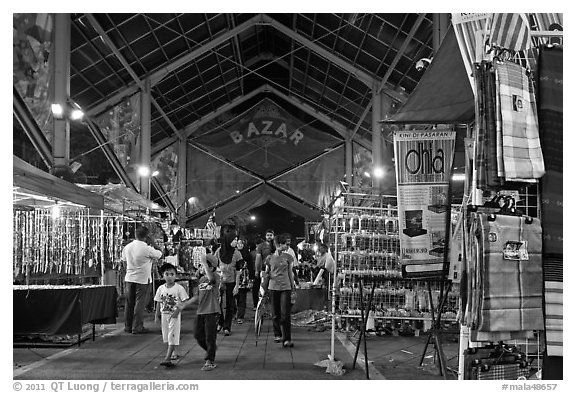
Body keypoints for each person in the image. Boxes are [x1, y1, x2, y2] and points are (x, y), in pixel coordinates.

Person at [176, 247, 220, 371]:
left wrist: (204, 262)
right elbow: (197, 296)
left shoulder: (215, 277)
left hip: (212, 311)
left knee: (210, 336)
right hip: (201, 311)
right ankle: (211, 350)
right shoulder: (201, 280)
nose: (201, 268)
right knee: (197, 334)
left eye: (203, 266)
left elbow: (211, 280)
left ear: (210, 268)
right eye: (201, 266)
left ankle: (209, 360)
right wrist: (184, 305)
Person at [122, 226, 163, 334]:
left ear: (135, 235)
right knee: (139, 303)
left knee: (129, 303)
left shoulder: (127, 247)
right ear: (147, 236)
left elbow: (124, 261)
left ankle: (128, 326)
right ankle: (137, 327)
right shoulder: (147, 248)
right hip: (142, 280)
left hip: (129, 278)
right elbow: (160, 253)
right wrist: (153, 243)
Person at [262, 233, 296, 348]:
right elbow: (266, 273)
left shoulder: (288, 258)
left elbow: (290, 273)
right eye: (285, 244)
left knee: (285, 314)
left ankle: (287, 338)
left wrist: (293, 286)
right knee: (275, 313)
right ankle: (277, 334)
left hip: (285, 287)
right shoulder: (269, 258)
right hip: (273, 287)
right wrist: (265, 278)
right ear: (279, 244)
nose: (287, 246)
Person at [154, 263, 189, 368]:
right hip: (164, 315)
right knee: (166, 335)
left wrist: (177, 311)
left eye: (172, 274)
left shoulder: (179, 288)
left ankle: (167, 358)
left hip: (174, 315)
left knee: (172, 335)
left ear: (176, 276)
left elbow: (185, 301)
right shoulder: (160, 288)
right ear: (162, 275)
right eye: (167, 274)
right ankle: (173, 352)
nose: (169, 276)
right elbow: (158, 302)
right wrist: (157, 315)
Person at [214, 225, 243, 336]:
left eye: (236, 240)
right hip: (220, 282)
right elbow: (214, 264)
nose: (236, 242)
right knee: (218, 303)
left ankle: (227, 326)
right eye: (234, 240)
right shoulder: (218, 251)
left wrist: (236, 285)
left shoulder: (237, 254)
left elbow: (238, 271)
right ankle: (220, 322)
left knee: (230, 305)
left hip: (231, 282)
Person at [254, 229, 275, 310]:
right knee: (263, 290)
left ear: (273, 236)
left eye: (271, 235)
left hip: (275, 270)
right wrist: (257, 270)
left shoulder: (276, 245)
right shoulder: (261, 246)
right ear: (265, 236)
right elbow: (258, 259)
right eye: (268, 235)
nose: (269, 237)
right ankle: (262, 308)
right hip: (264, 270)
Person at [233, 237, 252, 324]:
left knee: (242, 297)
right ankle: (234, 314)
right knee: (234, 296)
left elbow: (251, 266)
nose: (239, 245)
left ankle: (240, 316)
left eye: (241, 243)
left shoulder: (247, 254)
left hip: (244, 277)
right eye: (238, 243)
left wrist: (251, 279)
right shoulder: (233, 253)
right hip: (233, 276)